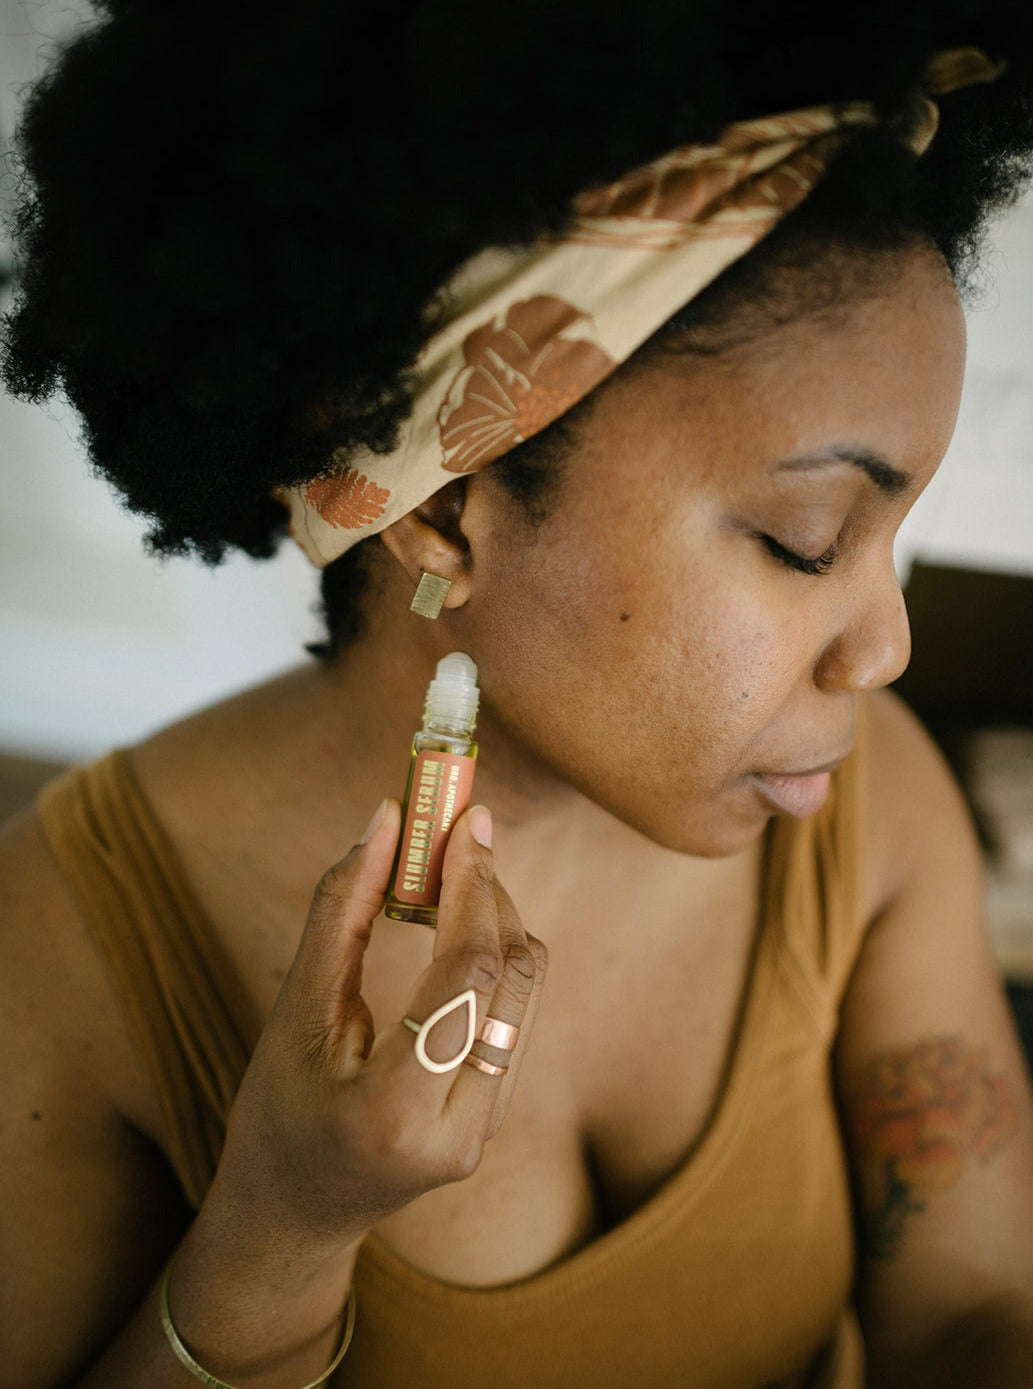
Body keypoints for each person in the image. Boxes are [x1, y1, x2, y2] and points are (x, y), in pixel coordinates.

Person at [2, 2, 1032, 1386]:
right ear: (439, 515)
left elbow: (971, 1315)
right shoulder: (54, 961)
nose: (882, 649)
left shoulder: (868, 800)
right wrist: (282, 1232)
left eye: (891, 536)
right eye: (804, 539)